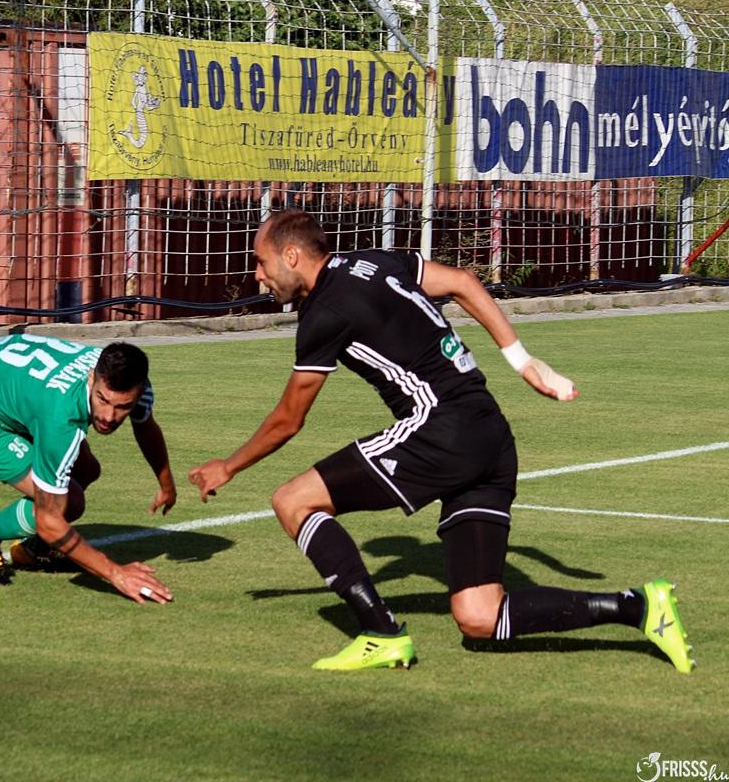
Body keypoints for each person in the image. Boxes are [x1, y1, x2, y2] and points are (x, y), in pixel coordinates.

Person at [188, 209, 692, 672]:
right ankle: (639, 607)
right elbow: (463, 282)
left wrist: (228, 466)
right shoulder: (376, 262)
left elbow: (288, 419)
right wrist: (522, 361)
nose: (258, 274)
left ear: (292, 255)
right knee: (480, 616)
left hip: (440, 431)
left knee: (293, 501)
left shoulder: (324, 313)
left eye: (261, 262)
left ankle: (381, 634)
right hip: (490, 435)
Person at [0, 335, 175, 604]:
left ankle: (30, 550)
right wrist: (116, 573)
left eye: (123, 407)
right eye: (102, 399)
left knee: (87, 470)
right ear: (91, 379)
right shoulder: (60, 421)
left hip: (7, 383)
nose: (109, 416)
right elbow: (49, 522)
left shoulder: (136, 385)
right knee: (69, 502)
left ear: (139, 392)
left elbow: (145, 427)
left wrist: (166, 485)